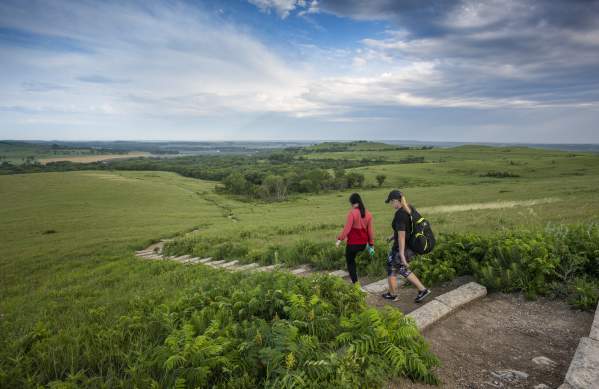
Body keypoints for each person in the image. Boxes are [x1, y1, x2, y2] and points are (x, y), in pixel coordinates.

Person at [382, 189, 431, 303]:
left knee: (395, 266)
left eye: (391, 202)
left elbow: (402, 236)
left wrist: (402, 255)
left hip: (402, 247)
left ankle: (397, 293)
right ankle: (395, 293)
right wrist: (391, 237)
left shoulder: (400, 214)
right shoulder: (409, 208)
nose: (391, 204)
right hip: (412, 246)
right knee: (396, 267)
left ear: (396, 201)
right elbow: (407, 229)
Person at [336, 193, 375, 284]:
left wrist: (339, 239)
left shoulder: (352, 213)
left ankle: (355, 283)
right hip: (363, 244)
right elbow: (370, 231)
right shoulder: (368, 214)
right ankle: (368, 250)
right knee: (361, 252)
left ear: (352, 203)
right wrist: (371, 244)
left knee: (350, 262)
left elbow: (347, 229)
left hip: (353, 244)